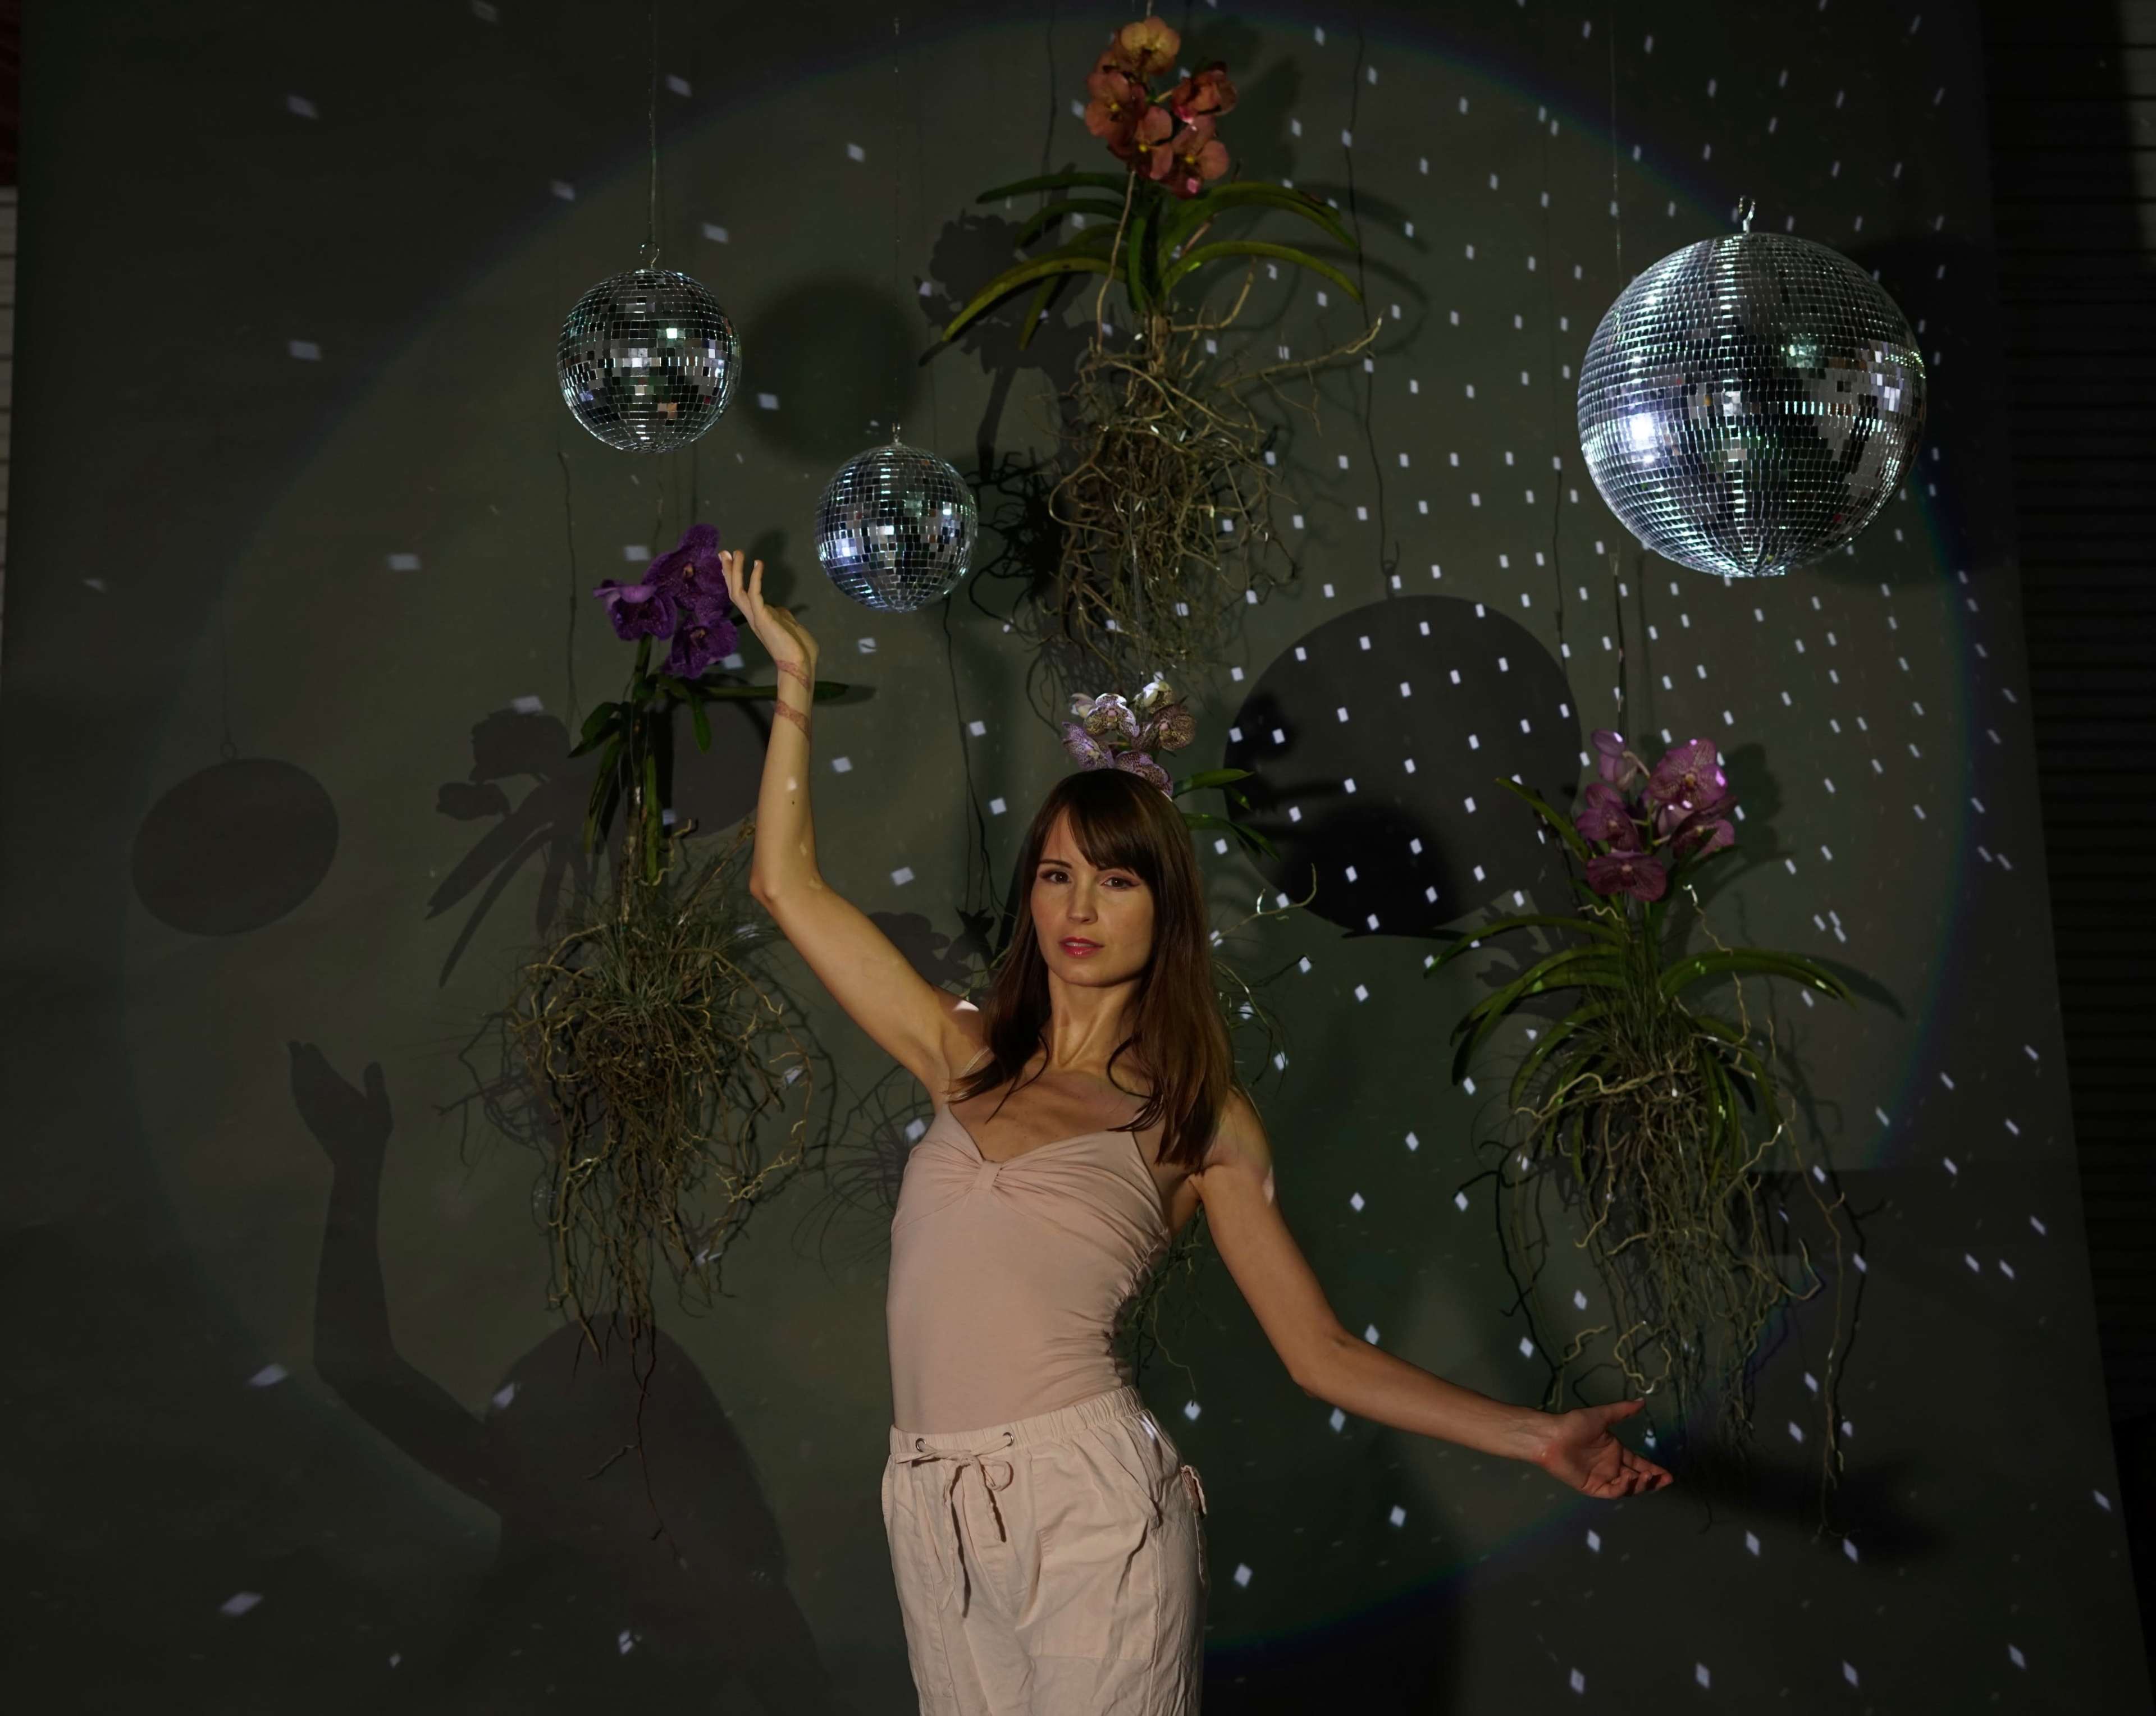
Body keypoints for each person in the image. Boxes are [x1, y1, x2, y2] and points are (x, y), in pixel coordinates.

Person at [715, 550, 1673, 1715]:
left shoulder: (1200, 1117)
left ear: (1165, 909)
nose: (1078, 907)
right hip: (927, 1505)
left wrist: (1538, 1436)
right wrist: (797, 689)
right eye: (1059, 874)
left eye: (1115, 882)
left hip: (1091, 1507)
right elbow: (786, 885)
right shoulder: (959, 1050)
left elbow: (1321, 1352)